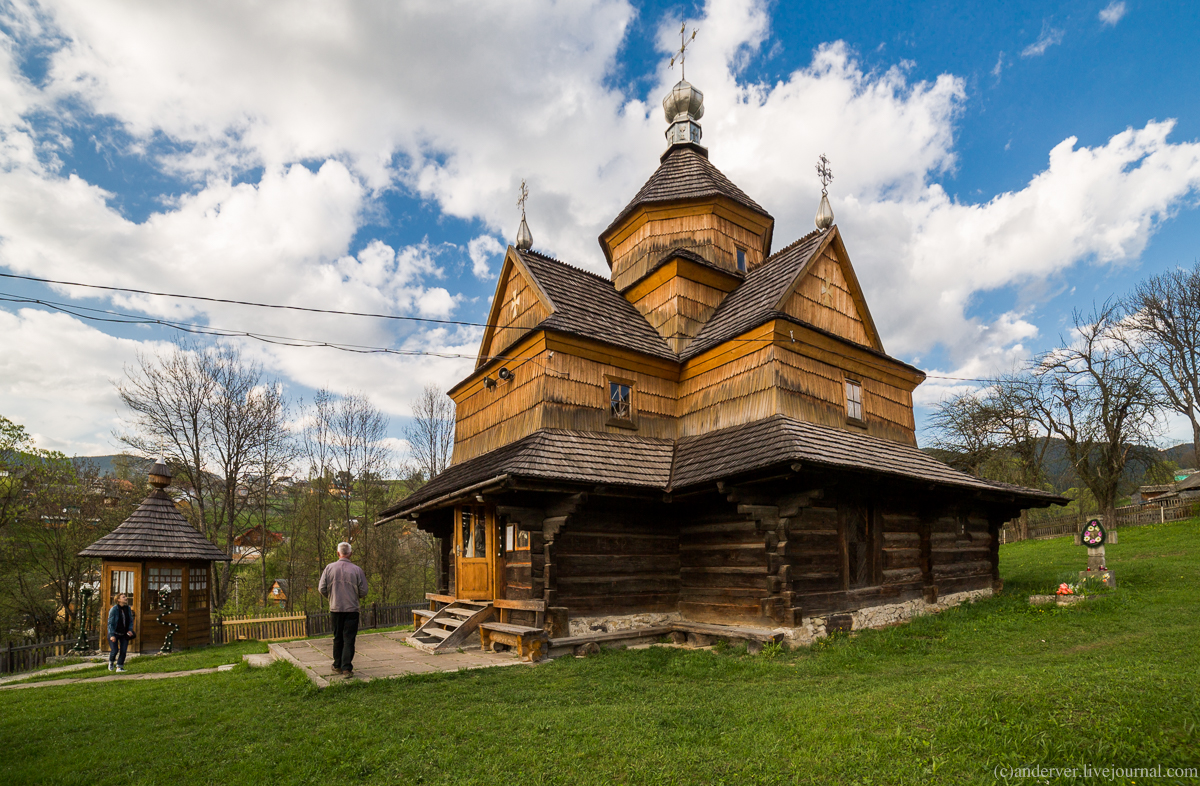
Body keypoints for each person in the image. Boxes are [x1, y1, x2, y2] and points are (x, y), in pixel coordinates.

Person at [318, 542, 368, 677]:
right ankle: (347, 668)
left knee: (337, 637)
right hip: (352, 609)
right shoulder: (357, 570)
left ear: (338, 553)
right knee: (349, 638)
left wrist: (331, 597)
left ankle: (337, 665)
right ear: (350, 554)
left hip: (335, 608)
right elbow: (364, 591)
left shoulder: (329, 568)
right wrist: (355, 595)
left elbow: (321, 588)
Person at [107, 592, 135, 672]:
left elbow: (130, 620)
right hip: (114, 633)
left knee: (123, 650)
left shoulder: (128, 608)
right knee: (115, 650)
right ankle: (111, 662)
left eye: (125, 597)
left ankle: (119, 667)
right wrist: (112, 635)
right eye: (123, 597)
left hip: (124, 633)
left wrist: (130, 630)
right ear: (118, 600)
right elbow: (110, 623)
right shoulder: (114, 609)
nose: (126, 598)